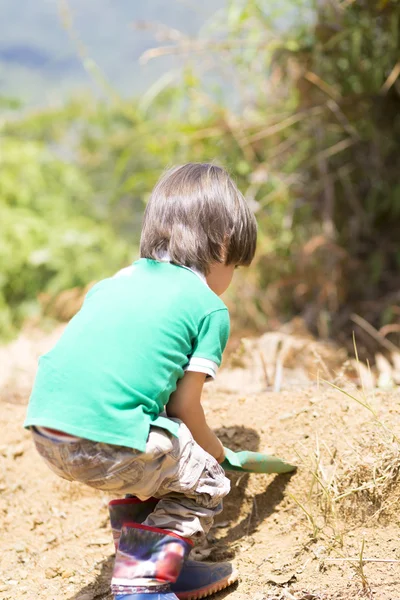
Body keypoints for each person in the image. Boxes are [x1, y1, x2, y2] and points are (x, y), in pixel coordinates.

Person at [24, 163, 257, 600]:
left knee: (155, 459)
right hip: (110, 442)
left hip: (46, 431)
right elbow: (185, 408)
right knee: (204, 479)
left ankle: (164, 565)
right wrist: (217, 454)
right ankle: (142, 585)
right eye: (237, 266)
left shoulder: (115, 282)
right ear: (225, 241)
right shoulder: (207, 306)